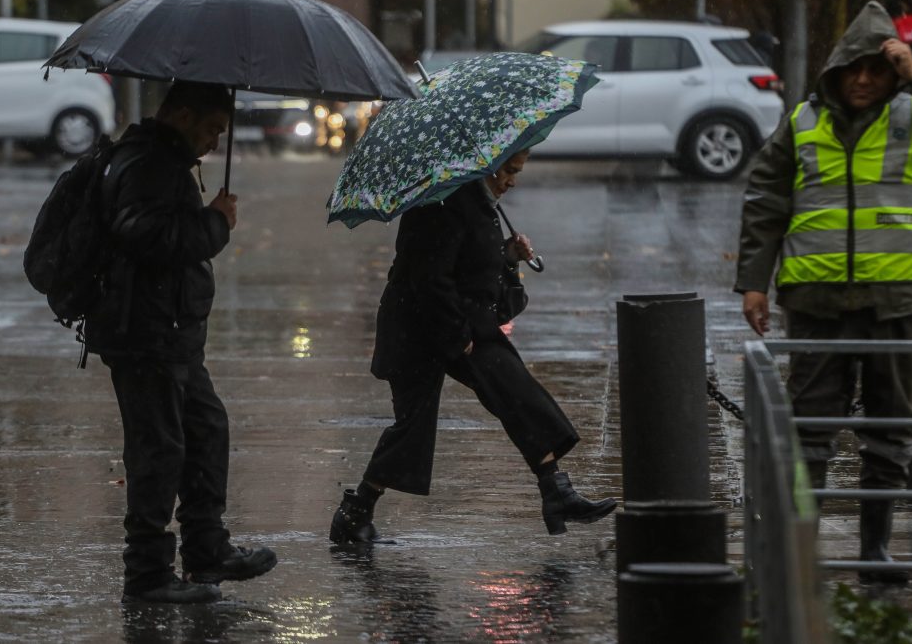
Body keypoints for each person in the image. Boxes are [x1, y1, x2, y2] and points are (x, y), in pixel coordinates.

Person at [735, 1, 912, 584]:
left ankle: (874, 549)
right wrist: (753, 283)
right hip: (818, 305)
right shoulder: (803, 122)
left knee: (891, 429)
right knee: (809, 432)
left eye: (875, 70)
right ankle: (799, 553)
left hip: (903, 303)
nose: (862, 79)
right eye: (853, 69)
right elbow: (765, 202)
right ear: (834, 70)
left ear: (893, 71)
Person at [329, 148, 617, 544]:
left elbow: (476, 273)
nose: (512, 180)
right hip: (419, 327)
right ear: (490, 165)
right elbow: (429, 277)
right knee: (413, 424)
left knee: (514, 390)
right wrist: (457, 337)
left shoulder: (479, 202)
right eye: (510, 171)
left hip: (463, 323)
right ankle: (355, 511)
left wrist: (509, 257)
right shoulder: (442, 202)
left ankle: (556, 490)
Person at [84, 81, 277, 603]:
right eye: (212, 128)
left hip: (171, 334)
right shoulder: (149, 164)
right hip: (145, 335)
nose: (215, 141)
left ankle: (207, 551)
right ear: (183, 114)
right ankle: (147, 575)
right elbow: (144, 236)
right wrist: (214, 223)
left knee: (205, 429)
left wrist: (205, 219)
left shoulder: (162, 160)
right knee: (158, 450)